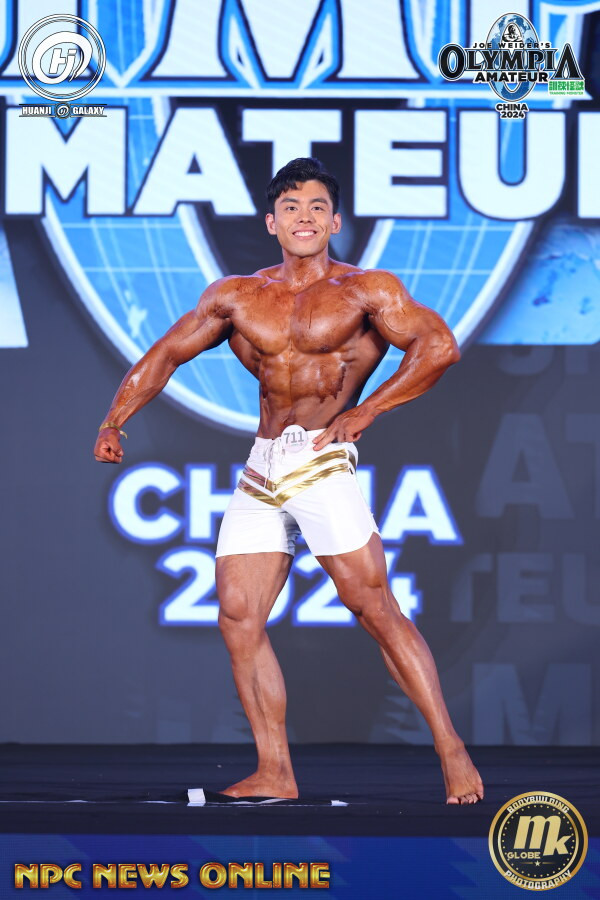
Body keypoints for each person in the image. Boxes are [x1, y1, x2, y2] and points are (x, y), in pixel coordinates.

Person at [94, 157, 484, 805]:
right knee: (237, 615)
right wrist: (115, 419)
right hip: (262, 463)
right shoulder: (236, 296)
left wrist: (367, 410)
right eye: (291, 208)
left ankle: (451, 748)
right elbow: (165, 353)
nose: (305, 218)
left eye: (316, 208)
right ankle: (274, 769)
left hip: (322, 456)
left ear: (334, 221)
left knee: (373, 607)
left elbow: (438, 346)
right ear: (272, 223)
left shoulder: (366, 290)